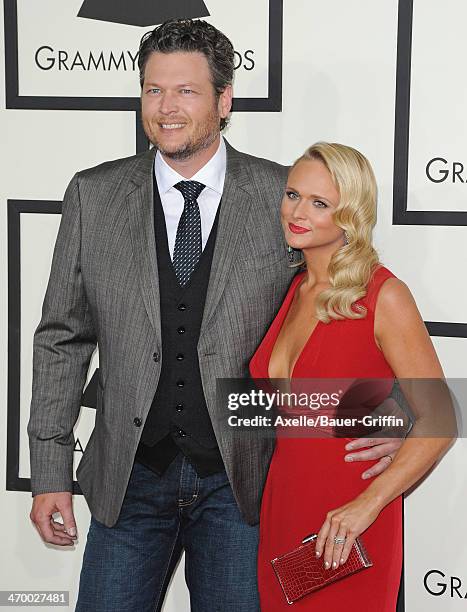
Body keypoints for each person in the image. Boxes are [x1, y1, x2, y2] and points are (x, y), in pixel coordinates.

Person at [27, 20, 401, 612]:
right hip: (128, 479)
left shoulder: (286, 196)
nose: (167, 107)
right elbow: (61, 339)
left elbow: (346, 308)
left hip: (245, 484)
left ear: (225, 100)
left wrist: (389, 418)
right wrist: (49, 471)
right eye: (154, 90)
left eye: (186, 91)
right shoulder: (93, 196)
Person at [250, 142, 454, 610]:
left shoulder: (384, 295)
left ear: (351, 215)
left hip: (352, 521)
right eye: (293, 195)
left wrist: (369, 503)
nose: (297, 213)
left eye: (320, 204)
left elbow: (440, 414)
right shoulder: (295, 289)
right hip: (283, 509)